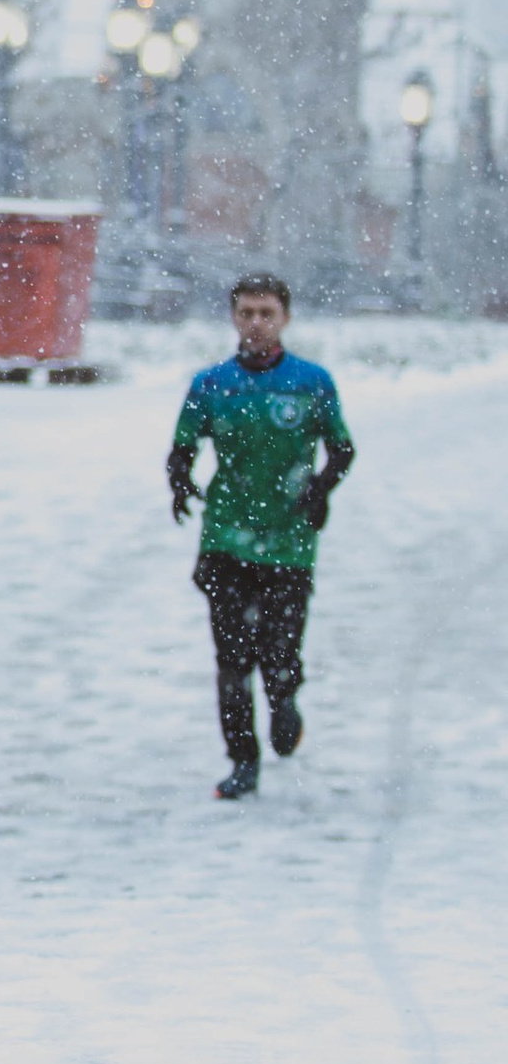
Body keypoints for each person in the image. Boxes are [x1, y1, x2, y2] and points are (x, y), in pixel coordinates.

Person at [167, 271, 354, 800]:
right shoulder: (211, 384)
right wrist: (179, 480)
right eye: (246, 313)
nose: (256, 323)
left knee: (279, 652)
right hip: (226, 537)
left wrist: (319, 491)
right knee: (231, 660)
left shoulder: (311, 383)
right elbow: (182, 445)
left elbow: (342, 449)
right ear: (233, 317)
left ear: (285, 319)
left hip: (289, 539)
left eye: (266, 313)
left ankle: (285, 698)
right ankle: (242, 761)